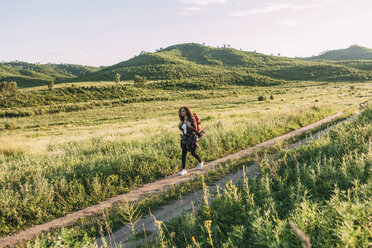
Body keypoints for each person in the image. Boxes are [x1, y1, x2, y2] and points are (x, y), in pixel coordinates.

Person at [178, 106, 204, 176]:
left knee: (193, 153)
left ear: (187, 111)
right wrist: (180, 126)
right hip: (184, 138)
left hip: (192, 138)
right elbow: (184, 129)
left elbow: (194, 130)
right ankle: (183, 169)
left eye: (183, 111)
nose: (182, 112)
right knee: (183, 154)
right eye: (181, 111)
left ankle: (200, 162)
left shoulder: (192, 119)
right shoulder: (182, 120)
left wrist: (189, 125)